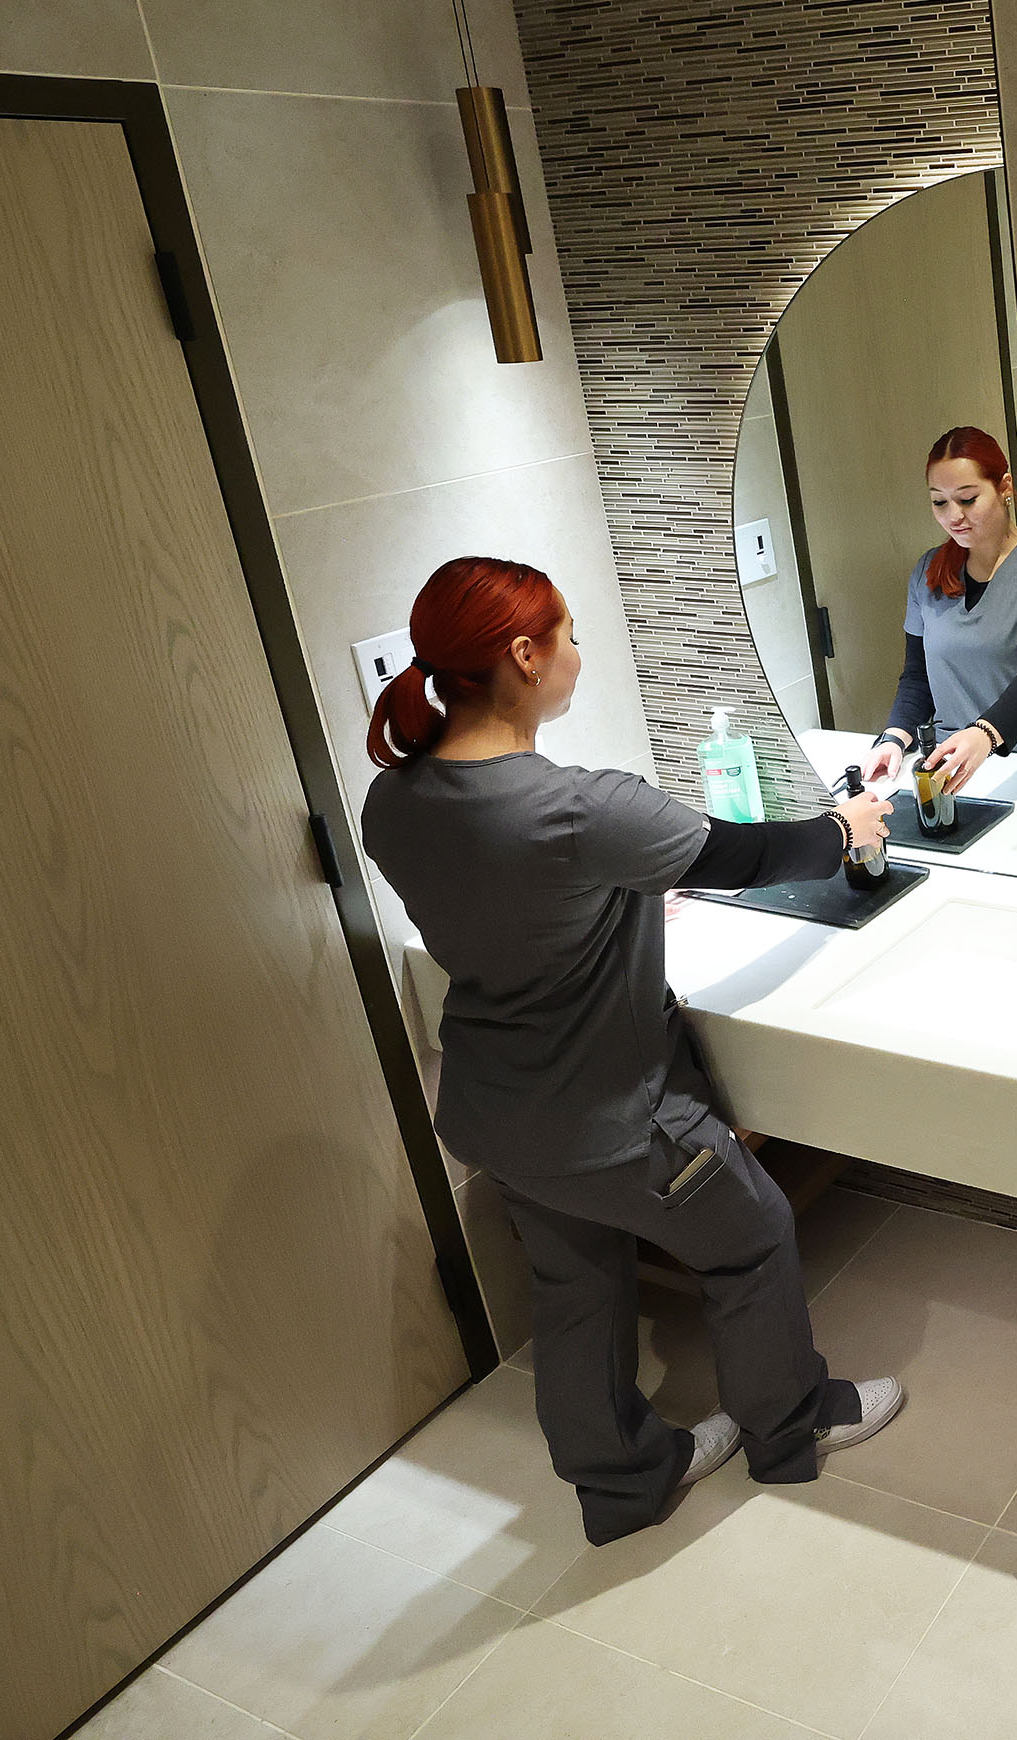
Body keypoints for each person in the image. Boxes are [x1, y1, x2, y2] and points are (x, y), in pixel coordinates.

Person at [358, 555, 903, 1546]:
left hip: (497, 1110)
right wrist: (845, 822)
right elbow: (747, 855)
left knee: (575, 1290)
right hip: (614, 1115)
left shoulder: (391, 802)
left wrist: (619, 892)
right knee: (753, 1233)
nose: (579, 651)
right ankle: (792, 1425)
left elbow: (507, 908)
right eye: (567, 634)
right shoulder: (581, 806)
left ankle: (619, 1483)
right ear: (523, 656)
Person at [861, 426, 1017, 789]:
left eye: (967, 499)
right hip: (947, 764)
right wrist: (893, 736)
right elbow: (918, 676)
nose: (954, 516)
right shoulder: (928, 570)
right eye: (940, 502)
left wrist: (984, 734)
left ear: (1005, 487)